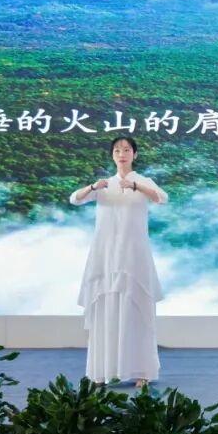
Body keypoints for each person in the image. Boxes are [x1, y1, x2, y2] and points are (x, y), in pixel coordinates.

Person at [70, 136, 168, 387]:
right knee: (106, 308)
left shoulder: (143, 181)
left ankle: (143, 371)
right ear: (112, 155)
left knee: (137, 308)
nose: (121, 154)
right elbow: (75, 199)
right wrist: (93, 187)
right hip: (106, 253)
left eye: (126, 150)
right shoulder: (105, 184)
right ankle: (104, 370)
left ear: (135, 154)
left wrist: (135, 186)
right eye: (117, 150)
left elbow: (161, 198)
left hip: (134, 253)